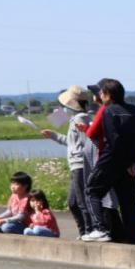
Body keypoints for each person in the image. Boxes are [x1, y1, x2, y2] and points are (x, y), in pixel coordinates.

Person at [82, 78, 135, 244]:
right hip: (132, 164)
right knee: (128, 200)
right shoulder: (134, 110)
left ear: (108, 95)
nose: (100, 95)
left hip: (112, 160)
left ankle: (100, 229)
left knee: (92, 190)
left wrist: (126, 162)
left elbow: (114, 140)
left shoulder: (109, 111)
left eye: (101, 93)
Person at [41, 85, 96, 237]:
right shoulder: (75, 119)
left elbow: (88, 143)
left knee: (81, 202)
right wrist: (53, 135)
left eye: (64, 105)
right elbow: (73, 143)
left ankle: (89, 231)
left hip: (80, 165)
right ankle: (84, 231)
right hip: (76, 165)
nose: (62, 109)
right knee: (73, 202)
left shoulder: (81, 118)